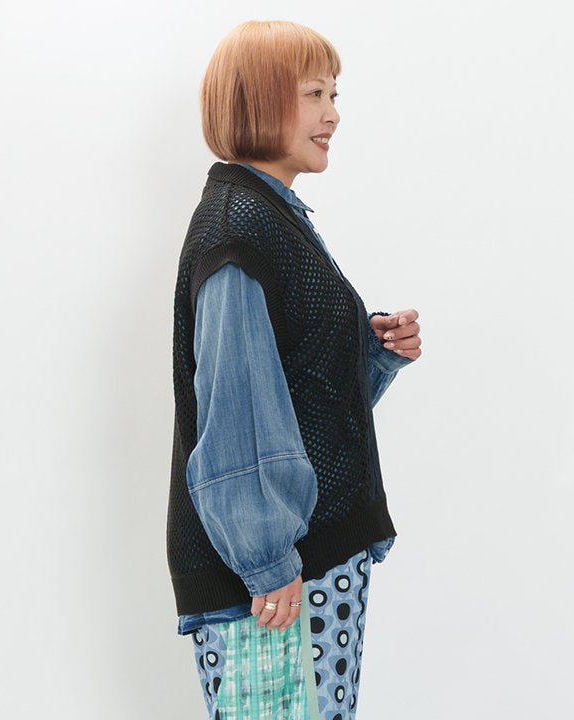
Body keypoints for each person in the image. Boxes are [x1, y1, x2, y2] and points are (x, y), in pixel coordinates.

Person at [166, 19, 422, 720]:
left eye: (334, 95)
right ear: (256, 99)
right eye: (314, 94)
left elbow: (298, 398)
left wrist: (373, 353)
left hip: (301, 565)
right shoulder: (240, 230)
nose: (333, 114)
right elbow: (239, 417)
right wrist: (267, 561)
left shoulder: (272, 217)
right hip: (280, 580)